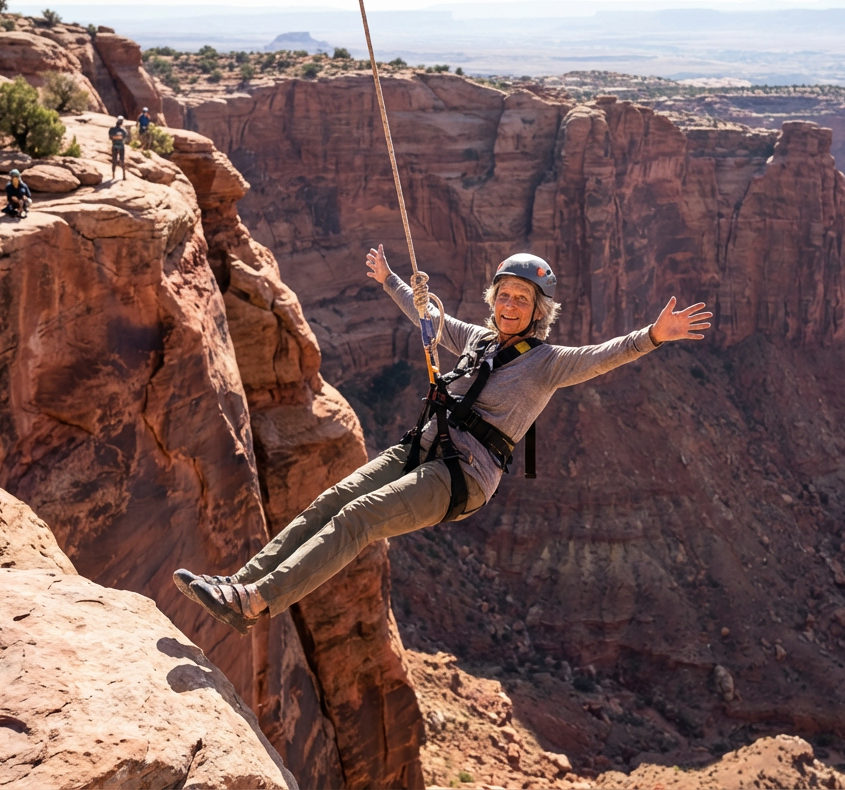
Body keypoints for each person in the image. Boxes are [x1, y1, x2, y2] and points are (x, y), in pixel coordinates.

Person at [174, 246, 712, 634]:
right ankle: (238, 584)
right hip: (421, 446)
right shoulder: (476, 339)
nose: (510, 306)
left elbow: (602, 355)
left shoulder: (548, 364)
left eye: (522, 300)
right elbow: (428, 315)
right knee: (332, 501)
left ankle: (256, 601)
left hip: (462, 476)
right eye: (504, 296)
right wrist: (389, 280)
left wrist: (652, 337)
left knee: (359, 517)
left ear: (539, 311)